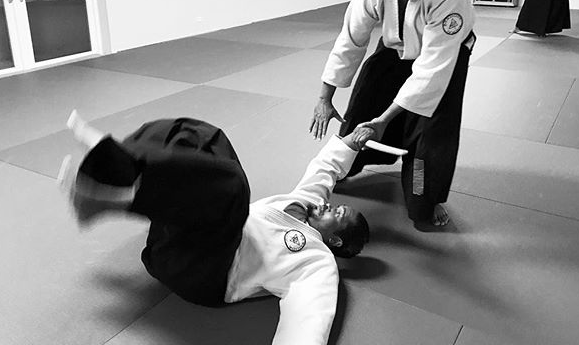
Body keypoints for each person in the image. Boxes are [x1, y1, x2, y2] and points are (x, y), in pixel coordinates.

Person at [60, 111, 372, 345]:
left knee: (233, 186)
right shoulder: (305, 202)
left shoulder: (317, 263)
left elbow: (311, 317)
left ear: (334, 238)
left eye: (337, 213)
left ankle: (110, 202)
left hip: (206, 273)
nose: (329, 205)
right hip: (183, 238)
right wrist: (351, 143)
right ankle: (113, 167)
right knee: (204, 137)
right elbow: (325, 169)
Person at [309, 0, 476, 227]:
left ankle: (428, 197)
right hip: (394, 48)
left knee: (430, 130)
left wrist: (385, 121)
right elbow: (351, 39)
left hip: (443, 56)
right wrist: (325, 96)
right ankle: (344, 167)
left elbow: (430, 70)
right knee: (362, 105)